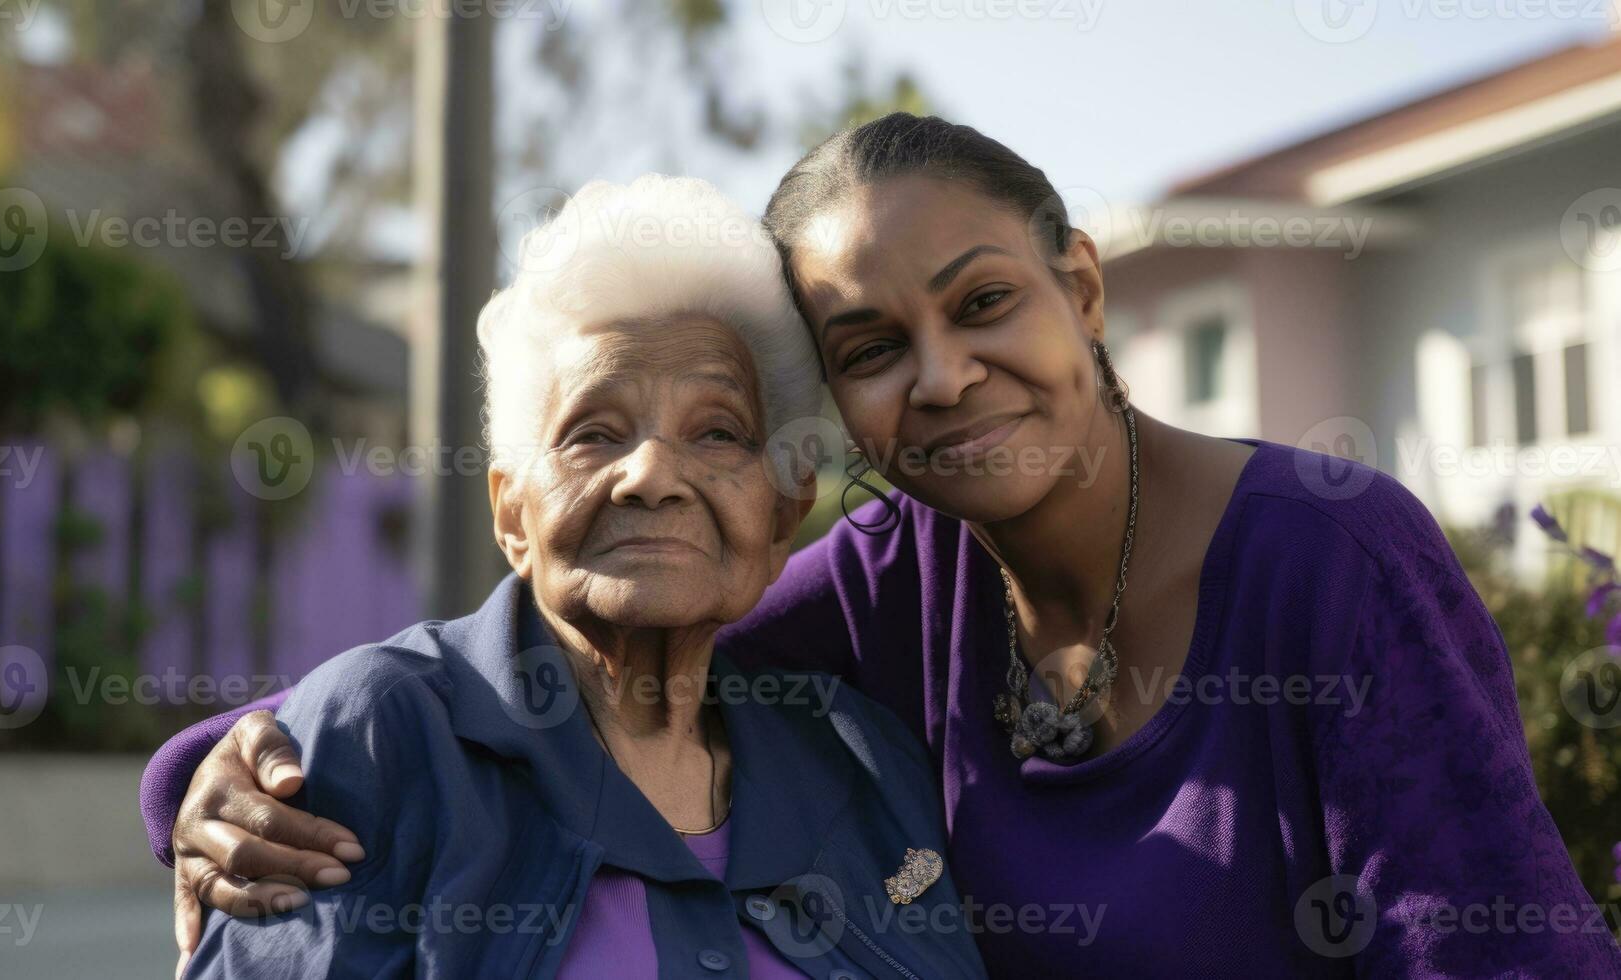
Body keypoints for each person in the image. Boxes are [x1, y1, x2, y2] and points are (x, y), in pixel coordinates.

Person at [151, 116, 1621, 977]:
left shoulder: (1331, 560)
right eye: (868, 343)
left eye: (982, 303)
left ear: (1083, 289)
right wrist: (236, 762)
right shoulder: (887, 583)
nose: (938, 375)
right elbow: (582, 650)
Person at [178, 174, 989, 980]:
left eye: (717, 433)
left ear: (783, 513)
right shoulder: (392, 738)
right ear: (510, 514)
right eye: (593, 433)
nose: (650, 474)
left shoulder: (864, 761)